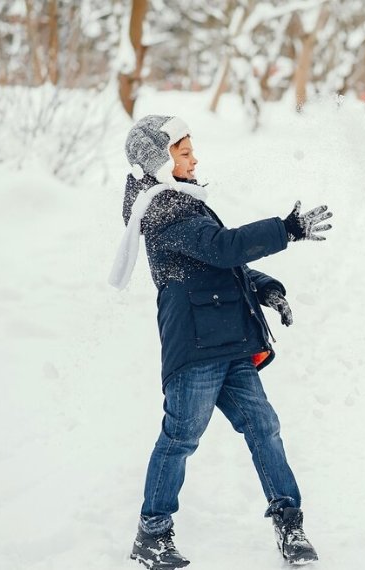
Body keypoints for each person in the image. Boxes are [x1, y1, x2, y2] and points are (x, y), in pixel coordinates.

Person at [109, 115, 332, 568]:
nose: (194, 159)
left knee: (263, 427)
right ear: (158, 162)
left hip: (228, 341)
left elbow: (218, 265)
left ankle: (289, 524)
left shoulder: (184, 203)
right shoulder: (162, 209)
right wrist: (285, 230)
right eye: (183, 152)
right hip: (195, 348)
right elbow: (224, 248)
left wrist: (266, 287)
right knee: (180, 438)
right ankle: (152, 534)